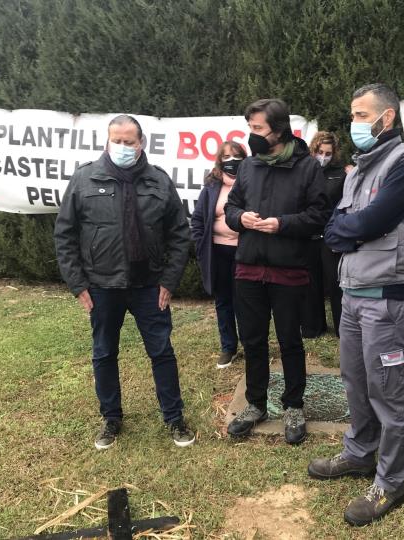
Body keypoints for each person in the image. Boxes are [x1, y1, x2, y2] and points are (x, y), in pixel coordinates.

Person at [308, 83, 404, 526]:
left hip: (386, 295)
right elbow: (339, 222)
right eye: (354, 115)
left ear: (387, 118)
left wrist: (349, 230)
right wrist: (350, 229)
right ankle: (360, 452)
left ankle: (391, 481)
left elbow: (377, 219)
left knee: (387, 389)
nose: (356, 123)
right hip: (354, 293)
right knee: (354, 381)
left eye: (363, 115)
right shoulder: (359, 169)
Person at [54, 114, 194, 449]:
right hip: (102, 286)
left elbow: (179, 234)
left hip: (149, 286)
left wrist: (169, 280)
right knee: (104, 353)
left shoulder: (158, 181)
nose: (121, 147)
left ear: (141, 143)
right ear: (107, 141)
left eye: (128, 141)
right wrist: (78, 284)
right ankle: (111, 418)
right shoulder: (85, 179)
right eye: (115, 140)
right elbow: (65, 235)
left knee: (161, 351)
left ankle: (174, 418)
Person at [224, 98, 328, 445]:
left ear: (279, 130)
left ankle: (293, 406)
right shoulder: (249, 166)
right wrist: (241, 219)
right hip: (249, 268)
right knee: (252, 340)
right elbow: (231, 207)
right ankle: (255, 405)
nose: (251, 136)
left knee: (290, 341)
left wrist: (281, 224)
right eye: (250, 128)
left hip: (288, 270)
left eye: (258, 129)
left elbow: (318, 215)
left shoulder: (308, 167)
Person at [190, 141, 247, 369]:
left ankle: (250, 344)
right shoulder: (212, 186)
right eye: (226, 156)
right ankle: (228, 347)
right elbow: (197, 219)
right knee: (223, 301)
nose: (231, 160)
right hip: (218, 252)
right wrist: (200, 243)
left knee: (245, 301)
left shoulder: (251, 183)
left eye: (236, 155)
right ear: (219, 160)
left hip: (244, 252)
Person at [300, 131, 347, 338]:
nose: (324, 156)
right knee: (310, 283)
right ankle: (313, 327)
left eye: (328, 153)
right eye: (320, 152)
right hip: (308, 235)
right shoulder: (303, 171)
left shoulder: (342, 173)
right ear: (313, 150)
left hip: (331, 235)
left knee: (336, 284)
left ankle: (342, 328)